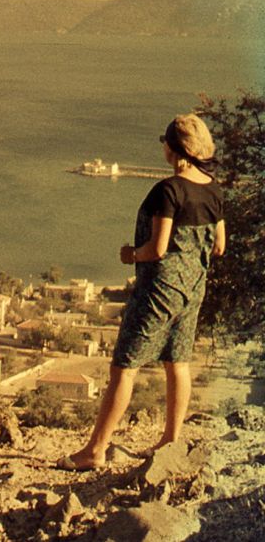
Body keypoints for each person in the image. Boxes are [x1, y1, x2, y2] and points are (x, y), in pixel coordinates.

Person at [62, 114, 225, 470]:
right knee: (178, 363)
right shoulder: (213, 188)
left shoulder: (168, 190)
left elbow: (158, 248)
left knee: (125, 367)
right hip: (193, 289)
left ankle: (95, 451)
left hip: (158, 290)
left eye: (165, 141)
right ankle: (170, 440)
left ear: (175, 149)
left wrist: (130, 255)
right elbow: (220, 246)